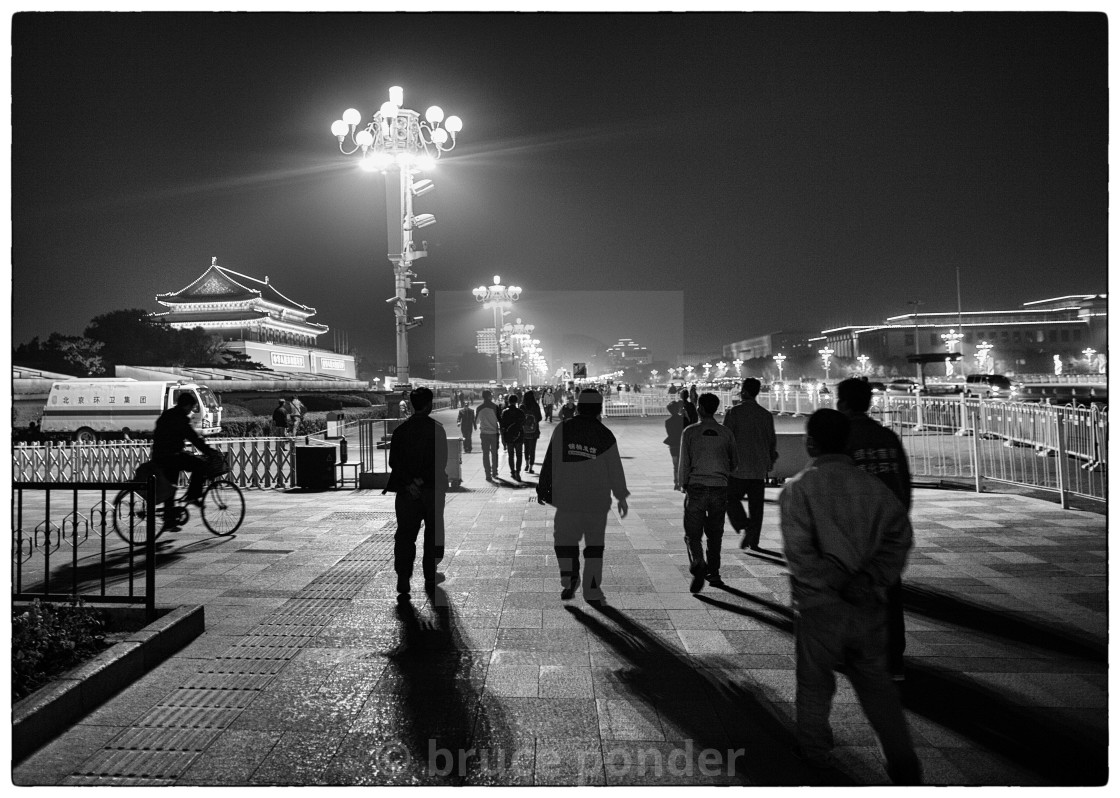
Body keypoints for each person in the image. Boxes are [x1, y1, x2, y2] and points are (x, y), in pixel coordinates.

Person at [779, 409, 921, 785]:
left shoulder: (799, 488)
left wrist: (835, 580)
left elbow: (800, 554)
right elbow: (900, 538)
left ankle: (814, 752)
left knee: (814, 683)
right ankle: (901, 757)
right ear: (846, 443)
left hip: (819, 606)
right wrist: (870, 579)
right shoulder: (873, 488)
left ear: (811, 442)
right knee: (877, 686)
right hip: (868, 607)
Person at [836, 377, 912, 681]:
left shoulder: (842, 439)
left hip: (854, 531)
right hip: (889, 528)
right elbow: (904, 485)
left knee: (849, 593)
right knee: (889, 593)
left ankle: (857, 654)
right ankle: (893, 659)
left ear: (842, 403)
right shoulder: (888, 437)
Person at [536, 389, 629, 606]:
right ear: (599, 408)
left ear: (578, 406)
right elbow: (615, 469)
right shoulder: (605, 435)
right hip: (597, 501)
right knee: (595, 546)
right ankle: (593, 588)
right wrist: (621, 496)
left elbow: (550, 460)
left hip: (567, 499)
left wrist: (543, 488)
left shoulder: (563, 429)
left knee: (564, 541)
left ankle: (569, 577)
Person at [386, 386, 447, 597]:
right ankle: (430, 573)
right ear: (429, 405)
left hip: (405, 492)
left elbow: (394, 462)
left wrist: (410, 483)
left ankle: (403, 577)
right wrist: (420, 481)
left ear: (412, 405)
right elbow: (441, 462)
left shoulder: (400, 431)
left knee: (405, 535)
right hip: (432, 490)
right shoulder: (437, 430)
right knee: (432, 532)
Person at [678, 393, 738, 592]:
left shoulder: (690, 432)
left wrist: (682, 483)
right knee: (715, 533)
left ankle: (698, 561)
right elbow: (735, 463)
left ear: (700, 408)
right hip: (719, 487)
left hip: (696, 486)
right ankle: (714, 573)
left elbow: (684, 463)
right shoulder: (726, 432)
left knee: (692, 534)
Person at [722, 378, 779, 551]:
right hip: (759, 467)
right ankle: (754, 539)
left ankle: (744, 525)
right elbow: (771, 441)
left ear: (745, 392)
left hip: (739, 467)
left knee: (728, 498)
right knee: (757, 506)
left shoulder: (734, 413)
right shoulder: (765, 414)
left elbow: (727, 438)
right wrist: (769, 460)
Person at [151, 393, 219, 532]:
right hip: (171, 455)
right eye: (192, 407)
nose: (191, 410)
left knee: (171, 485)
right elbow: (193, 437)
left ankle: (169, 519)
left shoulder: (168, 414)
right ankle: (193, 496)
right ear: (186, 405)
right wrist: (208, 451)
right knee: (199, 465)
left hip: (160, 455)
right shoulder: (180, 418)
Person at [500, 394, 527, 481]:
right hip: (518, 435)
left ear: (509, 401)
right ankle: (518, 472)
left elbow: (502, 425)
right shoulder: (520, 412)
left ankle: (512, 471)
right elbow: (524, 423)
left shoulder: (505, 412)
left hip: (509, 436)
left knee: (511, 455)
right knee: (519, 455)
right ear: (516, 401)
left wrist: (503, 439)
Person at [476, 390, 502, 482]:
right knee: (494, 453)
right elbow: (500, 420)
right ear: (489, 397)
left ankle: (488, 474)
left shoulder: (479, 408)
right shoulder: (495, 407)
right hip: (494, 433)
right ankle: (495, 472)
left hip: (484, 434)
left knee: (485, 454)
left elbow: (476, 422)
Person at [521, 390, 543, 474]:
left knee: (526, 448)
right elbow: (540, 418)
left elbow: (520, 418)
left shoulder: (522, 406)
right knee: (532, 449)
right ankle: (531, 467)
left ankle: (526, 464)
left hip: (524, 431)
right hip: (534, 431)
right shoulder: (535, 406)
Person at [663, 409, 685, 491]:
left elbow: (669, 433)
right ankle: (681, 481)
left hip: (673, 443)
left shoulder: (668, 422)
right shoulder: (682, 420)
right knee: (682, 463)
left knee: (675, 464)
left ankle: (676, 482)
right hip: (680, 442)